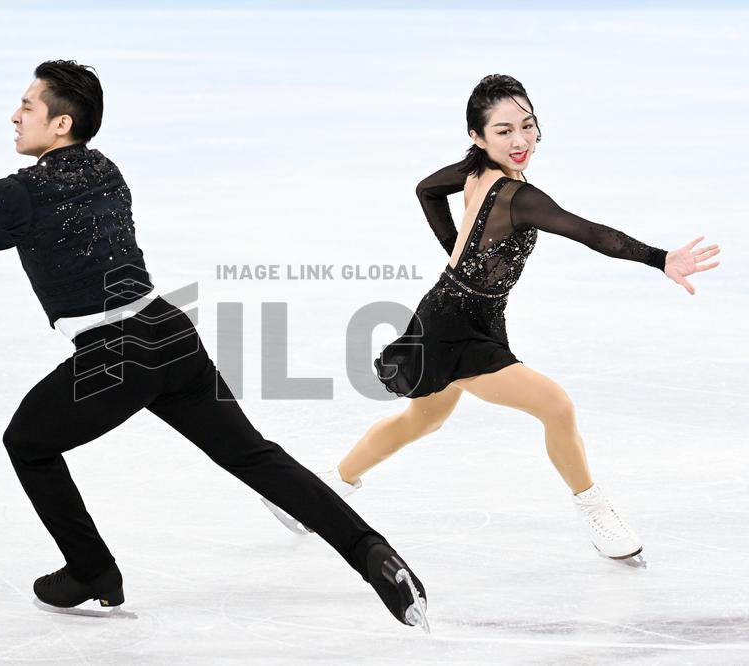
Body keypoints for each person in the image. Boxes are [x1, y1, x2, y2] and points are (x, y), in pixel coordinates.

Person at [0, 60, 430, 630]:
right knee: (255, 458)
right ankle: (376, 556)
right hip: (172, 336)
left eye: (26, 106)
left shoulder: (25, 191)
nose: (14, 115)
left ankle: (92, 569)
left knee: (27, 442)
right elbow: (26, 226)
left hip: (117, 356)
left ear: (60, 123)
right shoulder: (104, 171)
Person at [263, 74, 720, 569]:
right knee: (557, 406)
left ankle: (314, 496)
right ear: (478, 136)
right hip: (456, 324)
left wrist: (457, 253)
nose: (520, 140)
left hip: (459, 308)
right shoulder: (518, 197)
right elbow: (587, 232)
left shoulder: (473, 169)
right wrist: (659, 258)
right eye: (504, 131)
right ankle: (596, 512)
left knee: (423, 420)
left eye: (528, 125)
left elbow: (427, 190)